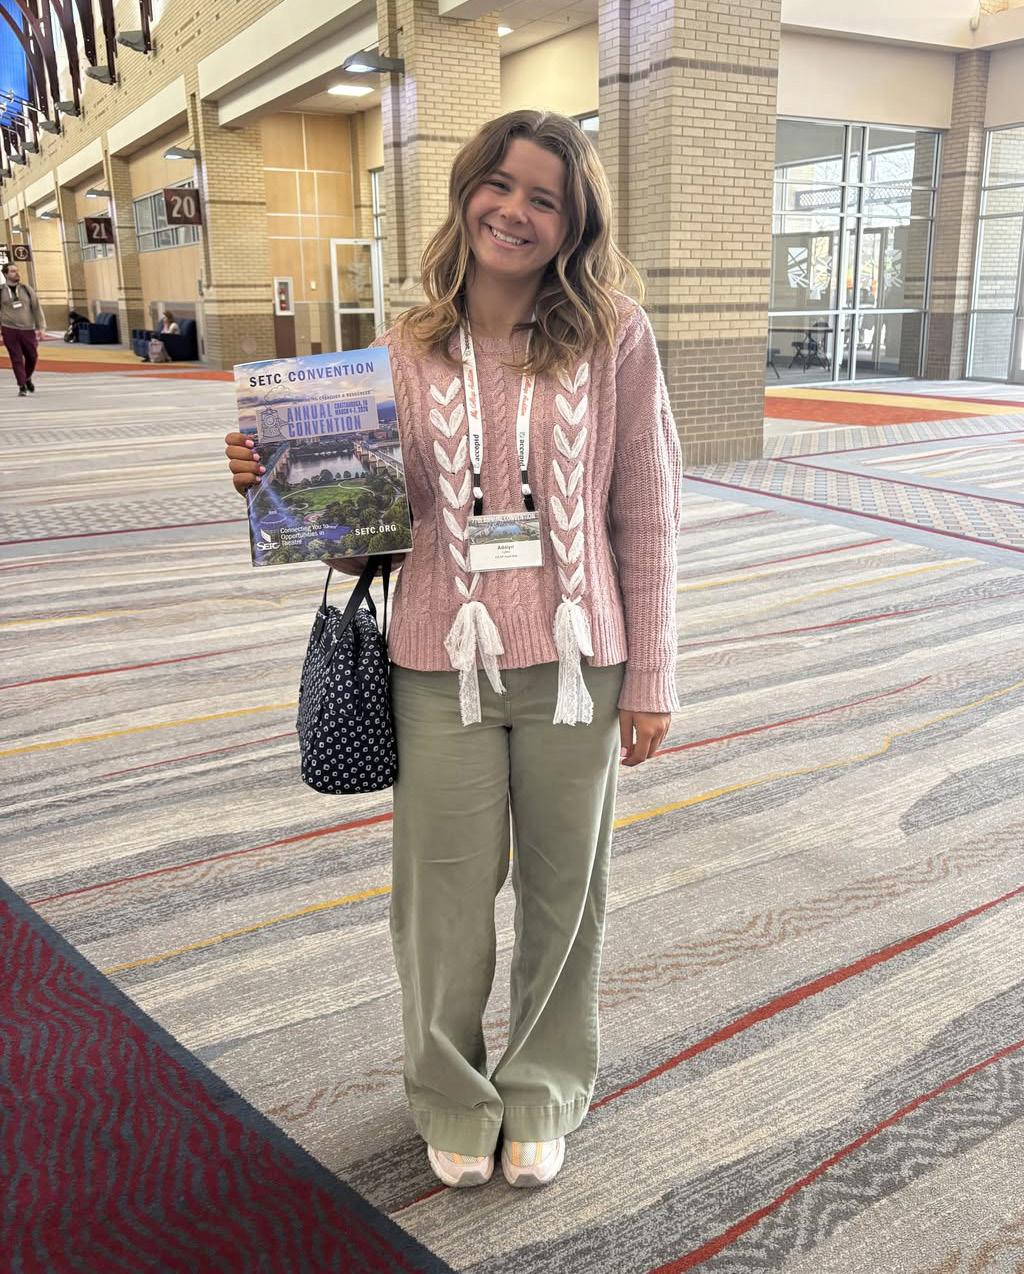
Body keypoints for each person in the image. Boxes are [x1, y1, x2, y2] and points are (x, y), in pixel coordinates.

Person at [224, 110, 681, 1191]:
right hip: (437, 661)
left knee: (567, 889)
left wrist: (654, 672)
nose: (515, 212)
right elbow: (368, 545)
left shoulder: (614, 334)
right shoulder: (402, 347)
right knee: (441, 897)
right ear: (466, 191)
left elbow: (647, 510)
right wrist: (280, 486)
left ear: (572, 222)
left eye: (544, 198)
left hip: (578, 660)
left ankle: (543, 1086)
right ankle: (451, 1092)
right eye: (500, 186)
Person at [1, 262, 47, 397]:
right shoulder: (1, 291)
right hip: (9, 329)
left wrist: (41, 327)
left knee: (32, 356)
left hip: (27, 329)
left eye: (17, 270)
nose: (16, 273)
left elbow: (37, 308)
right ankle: (22, 385)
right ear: (5, 274)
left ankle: (27, 378)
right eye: (12, 271)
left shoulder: (27, 289)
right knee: (16, 358)